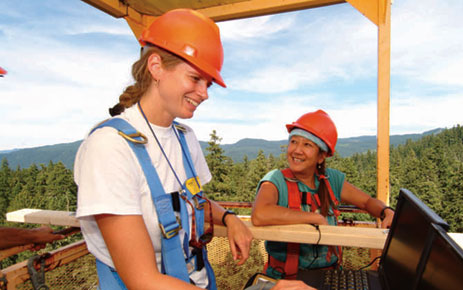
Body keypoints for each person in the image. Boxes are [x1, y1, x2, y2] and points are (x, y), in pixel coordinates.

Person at [74, 9, 256, 290]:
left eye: (208, 83)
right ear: (156, 66)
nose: (205, 93)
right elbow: (142, 280)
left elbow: (191, 200)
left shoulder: (185, 138)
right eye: (195, 78)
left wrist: (229, 219)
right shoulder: (109, 147)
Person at [251, 109, 395, 280]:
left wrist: (386, 211)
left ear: (321, 156)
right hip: (285, 280)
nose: (296, 150)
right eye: (294, 141)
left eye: (307, 145)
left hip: (330, 277)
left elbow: (367, 202)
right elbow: (260, 214)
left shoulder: (330, 180)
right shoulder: (275, 180)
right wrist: (311, 217)